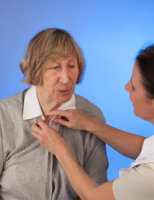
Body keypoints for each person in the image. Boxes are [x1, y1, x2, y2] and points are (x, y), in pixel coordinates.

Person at [31, 44, 154, 200]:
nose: (126, 87)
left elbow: (93, 196)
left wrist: (59, 148)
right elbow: (147, 147)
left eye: (133, 86)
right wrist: (91, 124)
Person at [0, 28, 108, 199]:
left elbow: (99, 190)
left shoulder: (91, 115)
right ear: (35, 69)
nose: (65, 78)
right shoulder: (4, 115)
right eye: (55, 67)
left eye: (71, 66)